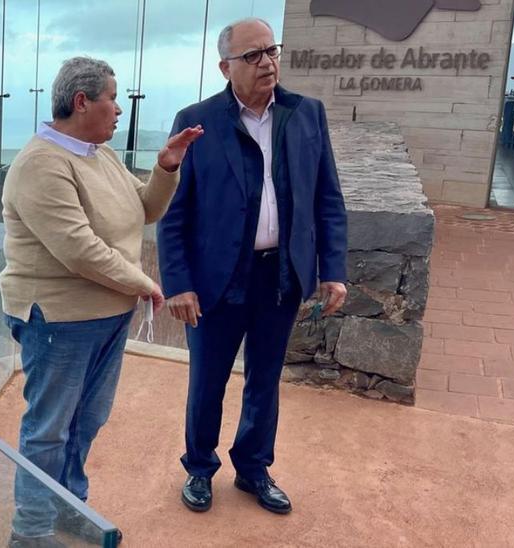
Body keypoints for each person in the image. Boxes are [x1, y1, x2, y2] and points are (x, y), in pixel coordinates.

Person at [0, 56, 203, 547]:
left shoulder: (97, 153)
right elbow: (80, 249)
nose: (119, 108)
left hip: (107, 314)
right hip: (59, 319)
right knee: (49, 429)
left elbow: (144, 209)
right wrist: (146, 283)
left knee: (87, 420)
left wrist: (166, 166)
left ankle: (68, 506)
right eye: (112, 97)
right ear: (82, 101)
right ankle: (29, 532)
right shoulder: (41, 164)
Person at [157, 17, 348, 515]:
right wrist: (178, 283)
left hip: (281, 275)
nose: (266, 62)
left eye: (270, 50)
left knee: (265, 379)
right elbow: (174, 213)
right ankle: (199, 467)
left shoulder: (307, 114)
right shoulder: (196, 119)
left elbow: (327, 197)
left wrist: (333, 268)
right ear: (225, 66)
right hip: (216, 278)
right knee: (208, 380)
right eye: (252, 56)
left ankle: (253, 468)